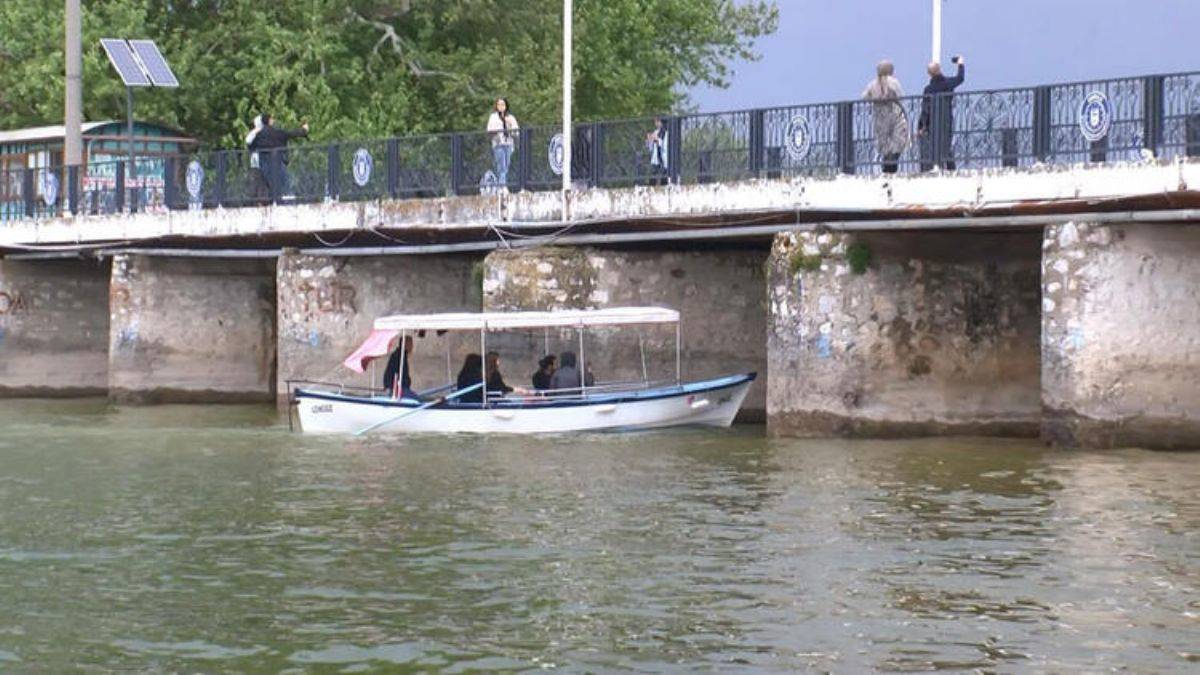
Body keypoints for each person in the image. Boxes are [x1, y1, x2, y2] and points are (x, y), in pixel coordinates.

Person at [918, 56, 966, 171]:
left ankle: (931, 167)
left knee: (932, 144)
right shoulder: (948, 83)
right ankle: (951, 169)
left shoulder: (928, 89)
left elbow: (925, 108)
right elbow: (960, 78)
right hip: (945, 119)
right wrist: (960, 65)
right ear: (939, 70)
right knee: (946, 145)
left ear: (929, 74)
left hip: (932, 122)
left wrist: (921, 126)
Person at [862, 61, 909, 175]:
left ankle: (886, 167)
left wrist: (876, 100)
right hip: (894, 114)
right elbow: (900, 97)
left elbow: (864, 97)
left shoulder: (872, 84)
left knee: (885, 144)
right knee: (898, 142)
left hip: (880, 116)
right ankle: (892, 167)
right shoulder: (894, 82)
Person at [249, 113, 310, 200]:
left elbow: (250, 145)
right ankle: (287, 199)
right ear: (269, 121)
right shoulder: (277, 132)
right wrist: (304, 130)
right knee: (285, 186)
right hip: (278, 163)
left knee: (270, 188)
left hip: (264, 167)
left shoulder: (258, 136)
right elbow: (291, 134)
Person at [486, 98, 519, 189]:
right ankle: (502, 186)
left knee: (507, 164)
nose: (501, 107)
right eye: (499, 105)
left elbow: (516, 132)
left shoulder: (511, 117)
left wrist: (510, 126)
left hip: (508, 143)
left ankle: (501, 184)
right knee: (501, 164)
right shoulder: (493, 117)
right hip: (498, 143)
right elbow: (489, 129)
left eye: (503, 104)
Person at [646, 117, 670, 185]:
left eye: (657, 121)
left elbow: (665, 146)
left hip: (663, 159)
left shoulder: (666, 133)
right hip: (656, 159)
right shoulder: (655, 132)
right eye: (655, 122)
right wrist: (649, 140)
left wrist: (657, 140)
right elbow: (650, 148)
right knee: (652, 177)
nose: (656, 123)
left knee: (664, 178)